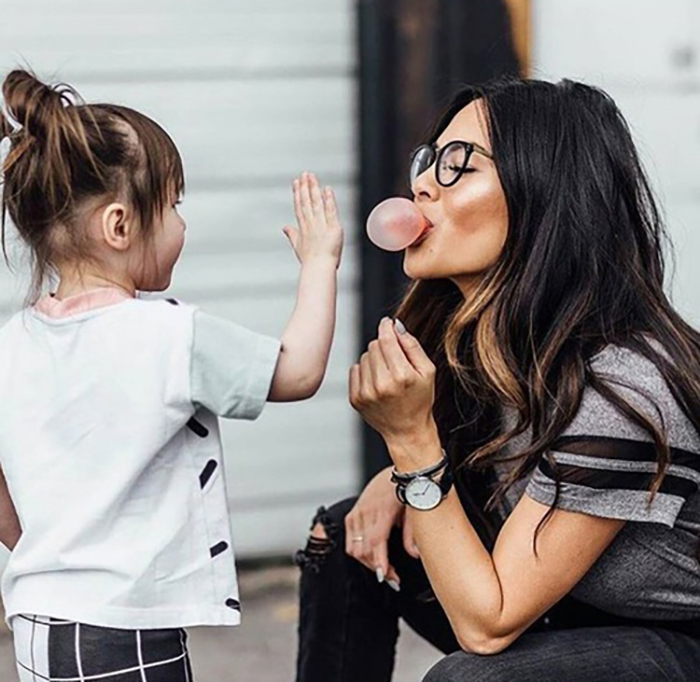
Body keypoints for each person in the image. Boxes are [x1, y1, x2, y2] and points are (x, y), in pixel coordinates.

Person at [294, 77, 700, 681]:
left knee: (474, 678)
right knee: (346, 534)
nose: (422, 184)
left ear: (545, 193)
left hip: (680, 639)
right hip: (575, 607)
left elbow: (490, 622)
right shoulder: (489, 344)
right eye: (429, 159)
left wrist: (411, 451)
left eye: (460, 164)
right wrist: (397, 477)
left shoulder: (622, 387)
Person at [0, 68, 344, 681]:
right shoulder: (167, 335)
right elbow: (299, 371)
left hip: (37, 623)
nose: (183, 225)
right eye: (174, 205)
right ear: (119, 226)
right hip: (124, 634)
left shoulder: (13, 342)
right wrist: (320, 263)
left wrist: (46, 551)